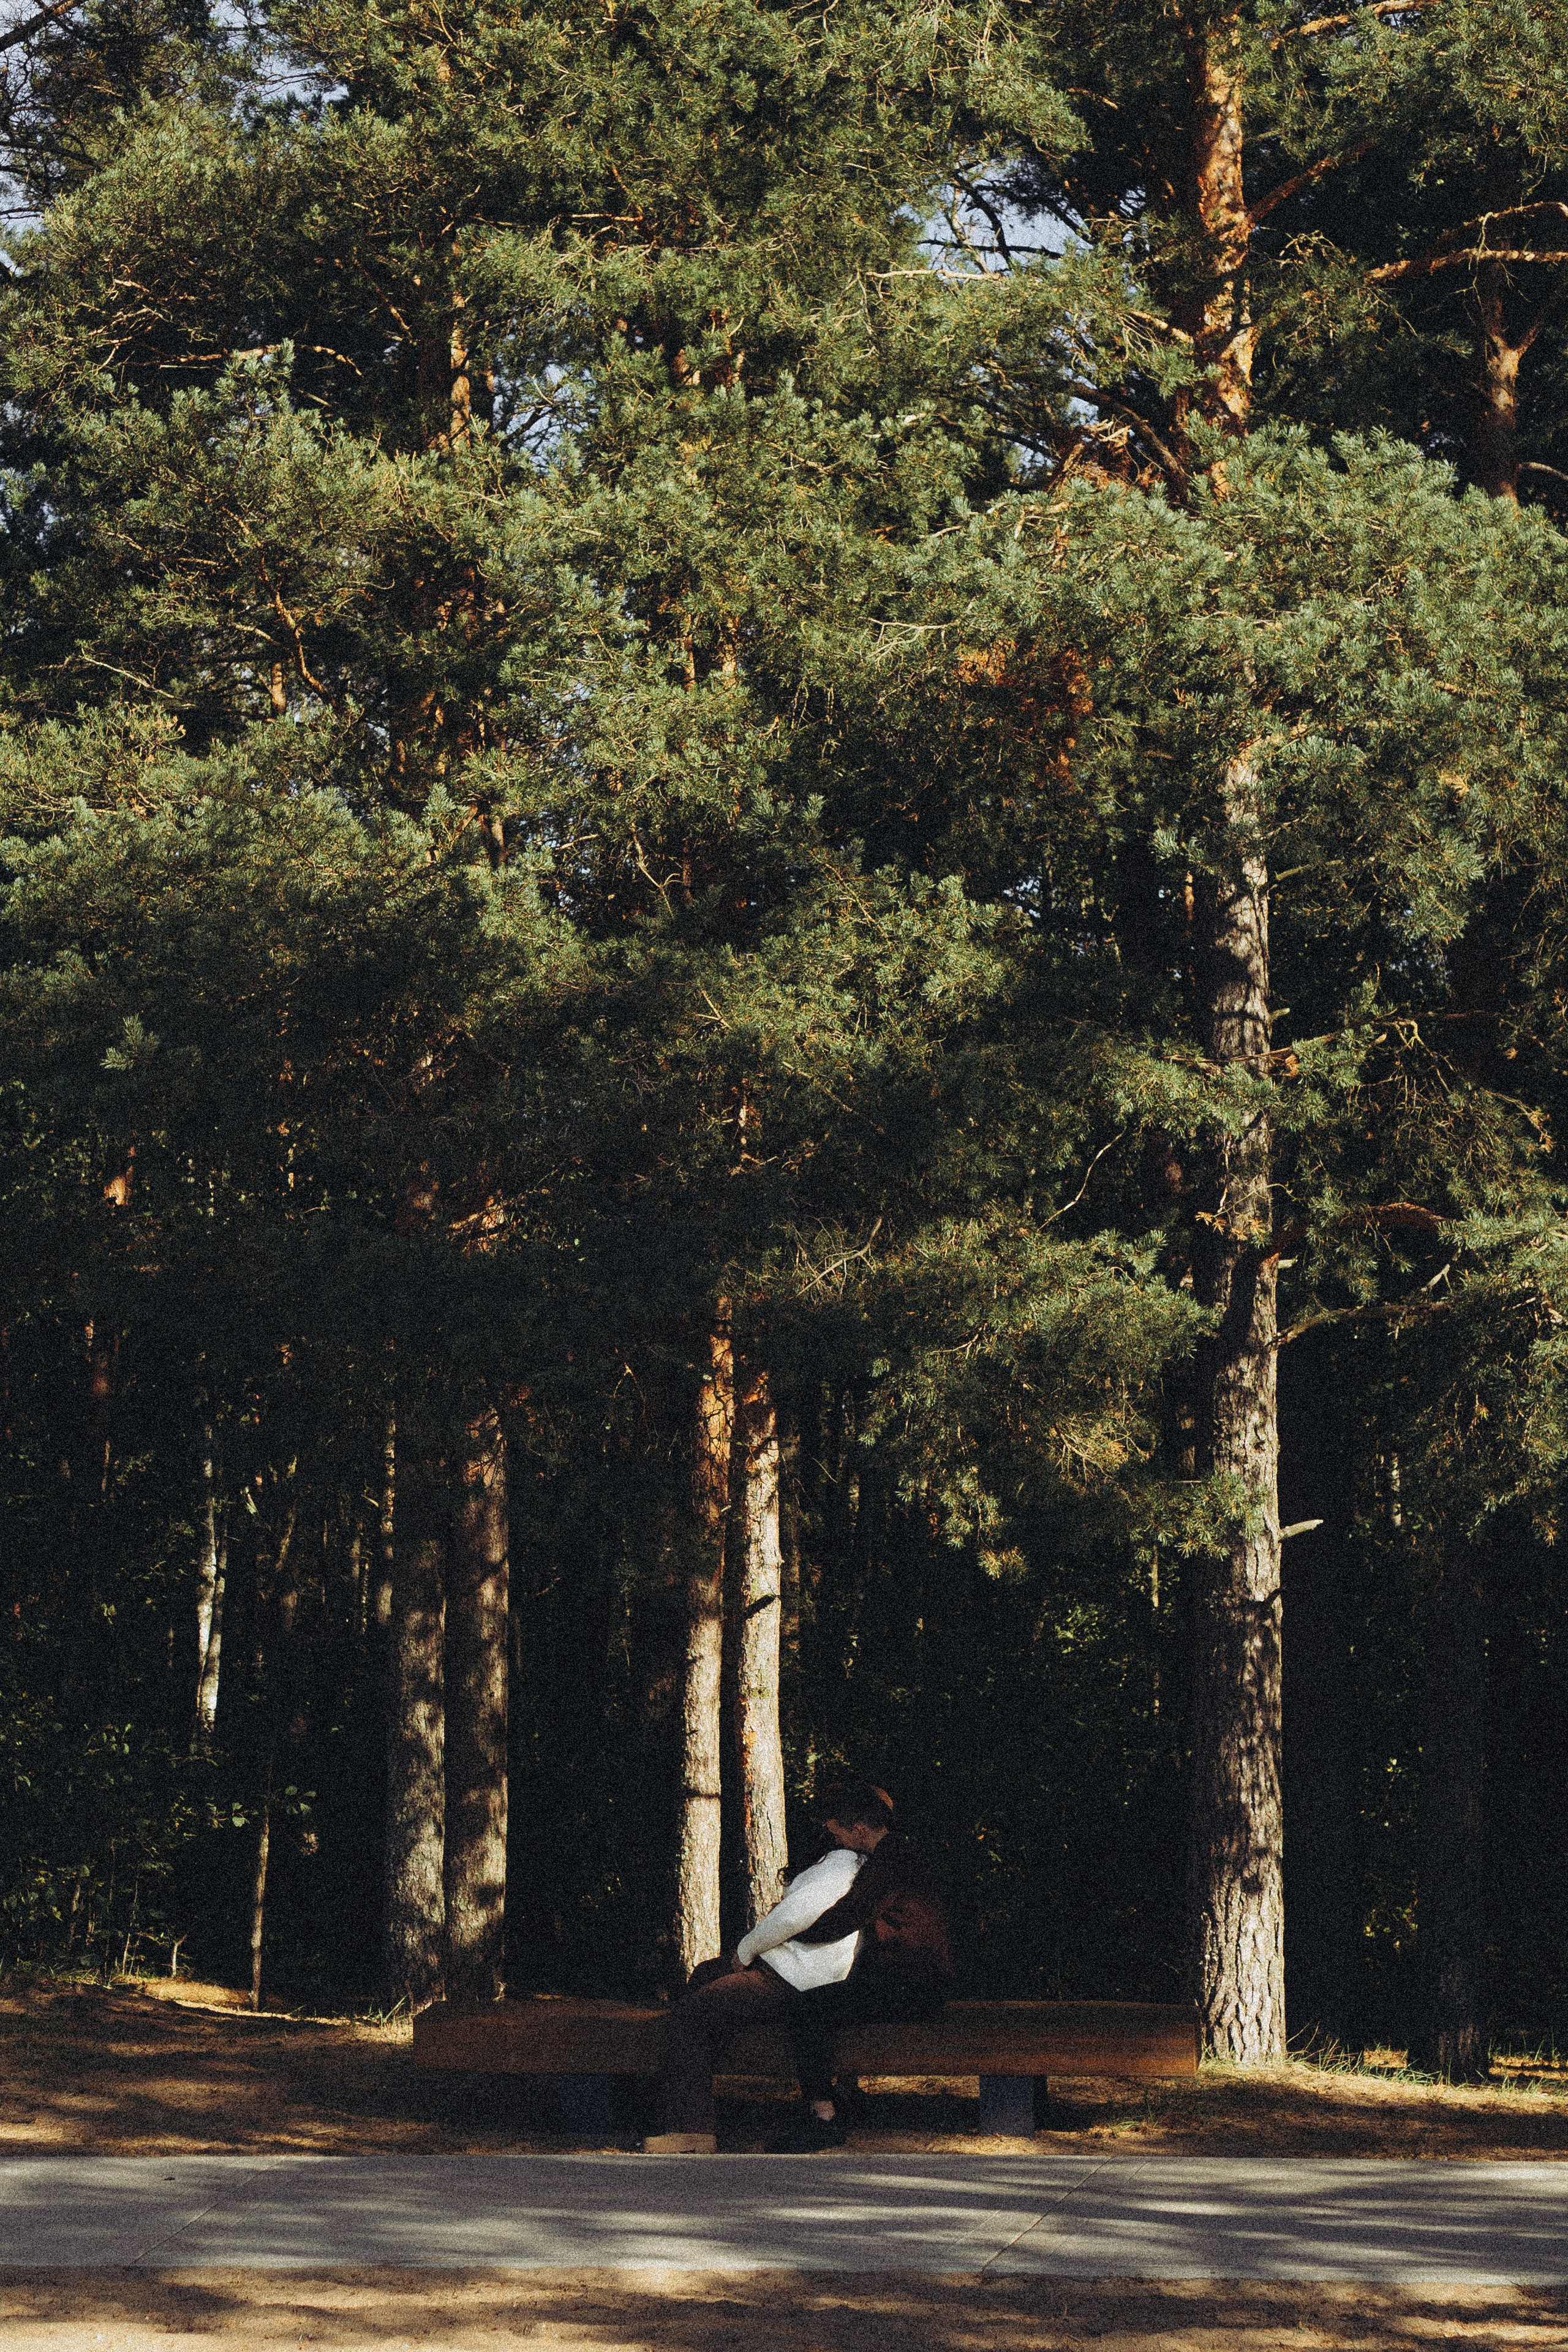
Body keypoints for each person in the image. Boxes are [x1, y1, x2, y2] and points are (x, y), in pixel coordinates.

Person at [643, 1825, 866, 2153]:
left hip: (792, 1976)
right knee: (706, 1974)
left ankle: (692, 2131)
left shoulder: (840, 1863)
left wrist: (745, 1951)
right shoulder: (846, 1864)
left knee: (693, 2014)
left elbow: (793, 1918)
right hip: (793, 1970)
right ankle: (679, 2102)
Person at [766, 1779, 952, 2152]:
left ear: (862, 1829)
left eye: (838, 1833)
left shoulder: (887, 1864)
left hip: (914, 1985)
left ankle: (823, 2117)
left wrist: (781, 1934)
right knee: (832, 1998)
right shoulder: (903, 1856)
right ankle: (842, 2098)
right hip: (920, 1979)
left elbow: (844, 1919)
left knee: (807, 2008)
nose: (836, 1841)